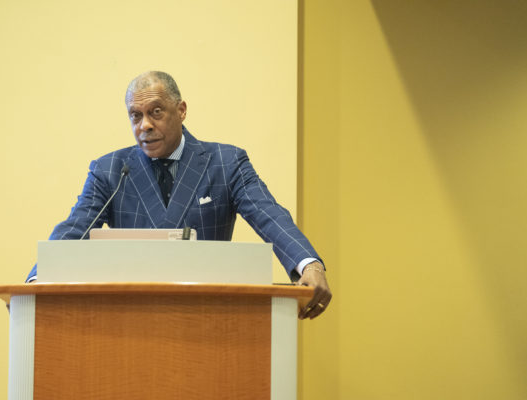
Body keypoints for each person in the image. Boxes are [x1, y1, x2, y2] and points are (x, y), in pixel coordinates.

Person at [26, 71, 331, 319]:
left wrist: (309, 265)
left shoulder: (225, 162)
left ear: (181, 110)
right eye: (135, 116)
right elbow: (75, 227)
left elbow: (269, 215)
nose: (144, 125)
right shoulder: (110, 170)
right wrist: (37, 281)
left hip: (210, 317)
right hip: (130, 319)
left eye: (155, 112)